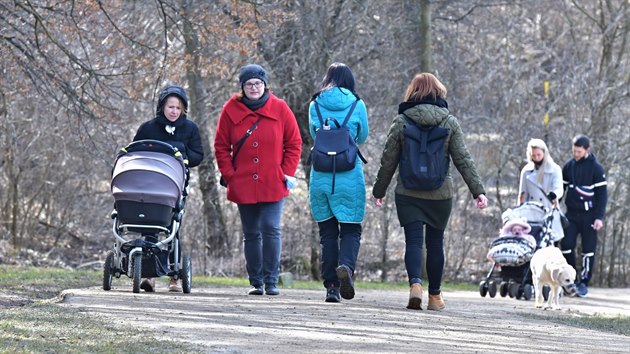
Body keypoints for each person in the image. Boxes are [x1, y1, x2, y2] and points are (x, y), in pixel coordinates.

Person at [372, 73, 488, 311]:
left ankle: (415, 285)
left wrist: (379, 190)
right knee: (436, 244)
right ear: (438, 92)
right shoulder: (450, 122)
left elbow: (388, 161)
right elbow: (463, 159)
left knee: (413, 242)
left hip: (408, 192)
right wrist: (478, 191)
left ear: (413, 92)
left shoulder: (401, 121)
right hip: (440, 194)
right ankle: (434, 296)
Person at [214, 64, 302, 296]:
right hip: (243, 181)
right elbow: (221, 146)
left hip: (273, 181)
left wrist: (286, 171)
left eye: (258, 83)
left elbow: (294, 143)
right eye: (249, 84)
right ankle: (256, 282)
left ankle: (272, 280)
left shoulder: (280, 108)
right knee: (251, 232)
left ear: (265, 85)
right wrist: (230, 175)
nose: (254, 88)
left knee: (271, 228)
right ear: (242, 87)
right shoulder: (230, 110)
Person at [133, 84, 204, 292]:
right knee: (150, 228)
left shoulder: (190, 129)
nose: (174, 111)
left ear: (183, 110)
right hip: (149, 183)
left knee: (173, 227)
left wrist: (183, 155)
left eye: (178, 108)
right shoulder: (148, 128)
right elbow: (135, 150)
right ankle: (148, 274)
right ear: (162, 107)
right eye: (170, 107)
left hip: (176, 184)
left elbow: (198, 155)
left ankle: (174, 276)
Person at [308, 63, 369, 303]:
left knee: (328, 233)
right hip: (349, 174)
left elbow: (315, 135)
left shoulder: (315, 104)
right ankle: (346, 267)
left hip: (321, 175)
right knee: (351, 229)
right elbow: (362, 136)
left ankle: (331, 287)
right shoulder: (357, 104)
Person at [560, 135, 607, 297]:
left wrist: (599, 217)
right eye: (574, 151)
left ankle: (584, 282)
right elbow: (561, 190)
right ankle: (570, 278)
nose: (576, 154)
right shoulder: (569, 167)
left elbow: (602, 196)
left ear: (587, 150)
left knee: (588, 250)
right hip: (571, 214)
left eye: (579, 151)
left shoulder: (596, 169)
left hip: (590, 216)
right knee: (566, 245)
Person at [518, 138, 564, 241]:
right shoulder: (526, 171)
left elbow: (558, 188)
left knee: (550, 245)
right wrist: (520, 212)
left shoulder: (554, 169)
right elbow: (523, 194)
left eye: (539, 155)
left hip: (549, 211)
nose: (536, 158)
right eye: (533, 155)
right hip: (531, 213)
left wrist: (554, 195)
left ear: (544, 153)